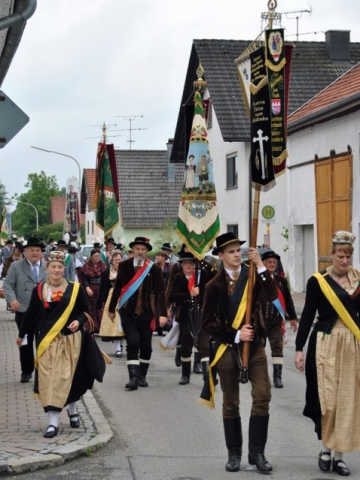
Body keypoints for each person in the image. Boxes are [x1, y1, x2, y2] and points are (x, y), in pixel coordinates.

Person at [200, 232, 277, 473]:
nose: (236, 255)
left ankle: (257, 453)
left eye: (238, 250)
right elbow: (207, 323)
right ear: (220, 255)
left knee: (263, 394)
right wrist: (235, 334)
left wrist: (261, 266)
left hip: (254, 346)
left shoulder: (253, 275)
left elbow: (272, 295)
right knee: (230, 401)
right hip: (227, 347)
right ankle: (234, 454)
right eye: (231, 251)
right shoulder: (213, 285)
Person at [294, 230, 360, 477]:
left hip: (352, 345)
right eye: (340, 255)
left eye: (348, 256)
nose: (344, 261)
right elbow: (308, 316)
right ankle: (325, 449)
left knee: (347, 402)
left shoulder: (358, 281)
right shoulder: (318, 281)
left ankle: (339, 457)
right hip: (325, 344)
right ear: (331, 255)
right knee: (328, 402)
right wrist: (299, 348)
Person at [15, 250, 94, 438]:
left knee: (68, 377)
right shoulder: (40, 289)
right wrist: (21, 334)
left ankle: (73, 409)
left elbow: (86, 311)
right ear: (47, 268)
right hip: (47, 341)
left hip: (70, 340)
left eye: (60, 267)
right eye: (53, 267)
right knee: (49, 378)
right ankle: (52, 422)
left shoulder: (75, 288)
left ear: (64, 268)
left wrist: (79, 321)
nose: (56, 270)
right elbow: (31, 314)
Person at [108, 236, 168, 390]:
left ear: (147, 251)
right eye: (137, 249)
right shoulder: (124, 265)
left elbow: (161, 291)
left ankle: (142, 376)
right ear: (132, 250)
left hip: (148, 313)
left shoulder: (153, 268)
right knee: (133, 342)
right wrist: (111, 309)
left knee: (146, 347)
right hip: (128, 311)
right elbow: (118, 287)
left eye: (143, 249)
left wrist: (162, 313)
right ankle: (133, 378)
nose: (140, 252)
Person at [3, 237, 48, 383]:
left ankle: (43, 372)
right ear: (25, 252)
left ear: (41, 253)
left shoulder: (48, 267)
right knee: (25, 342)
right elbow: (8, 285)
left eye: (38, 250)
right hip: (23, 310)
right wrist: (12, 299)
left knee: (43, 342)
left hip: (44, 312)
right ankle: (26, 371)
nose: (35, 253)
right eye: (32, 250)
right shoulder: (16, 267)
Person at [168, 252, 212, 384]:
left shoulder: (202, 275)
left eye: (191, 263)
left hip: (202, 315)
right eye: (185, 263)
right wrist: (189, 294)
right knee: (186, 346)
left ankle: (207, 377)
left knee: (204, 346)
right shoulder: (178, 277)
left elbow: (210, 285)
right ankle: (185, 375)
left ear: (195, 264)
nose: (188, 265)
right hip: (185, 315)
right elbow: (172, 296)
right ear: (181, 265)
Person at [261, 250, 298, 388]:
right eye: (269, 262)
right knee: (259, 348)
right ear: (263, 264)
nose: (272, 264)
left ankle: (277, 377)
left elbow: (288, 299)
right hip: (260, 321)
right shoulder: (257, 279)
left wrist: (293, 317)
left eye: (274, 263)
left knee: (277, 349)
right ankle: (261, 376)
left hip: (275, 321)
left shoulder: (281, 281)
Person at [97, 249, 125, 357]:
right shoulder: (106, 273)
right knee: (113, 324)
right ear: (111, 260)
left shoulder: (126, 272)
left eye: (120, 259)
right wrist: (101, 301)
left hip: (123, 299)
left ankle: (120, 346)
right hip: (110, 299)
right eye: (116, 259)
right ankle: (118, 346)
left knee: (121, 323)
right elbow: (103, 287)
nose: (118, 261)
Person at [80, 248, 108, 333]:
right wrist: (87, 288)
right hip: (90, 289)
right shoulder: (86, 266)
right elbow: (84, 279)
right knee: (90, 307)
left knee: (100, 308)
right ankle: (90, 326)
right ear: (91, 257)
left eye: (98, 256)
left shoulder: (103, 266)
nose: (97, 258)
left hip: (100, 288)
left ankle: (101, 327)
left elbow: (106, 278)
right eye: (95, 256)